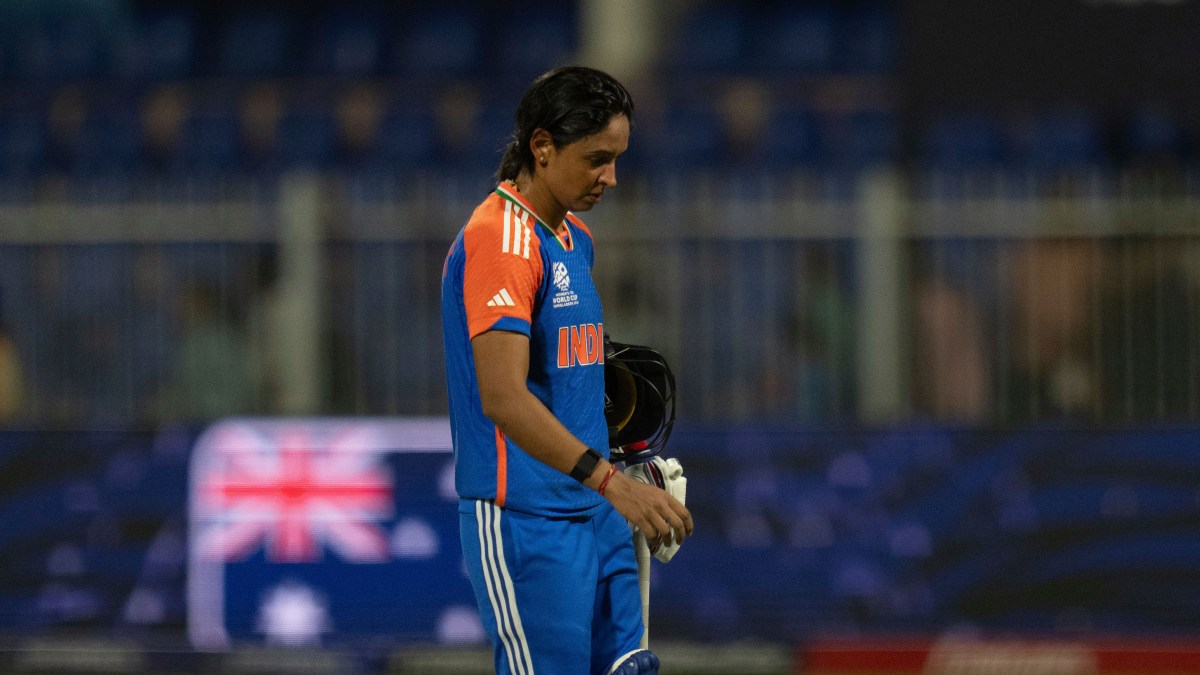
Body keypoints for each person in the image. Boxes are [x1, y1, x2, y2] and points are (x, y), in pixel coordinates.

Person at [441, 66, 692, 674]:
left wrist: (625, 461)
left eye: (617, 159)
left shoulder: (573, 235)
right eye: (597, 159)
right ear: (543, 146)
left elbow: (565, 371)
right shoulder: (501, 240)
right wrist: (614, 483)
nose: (611, 177)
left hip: (593, 504)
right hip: (527, 520)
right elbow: (503, 397)